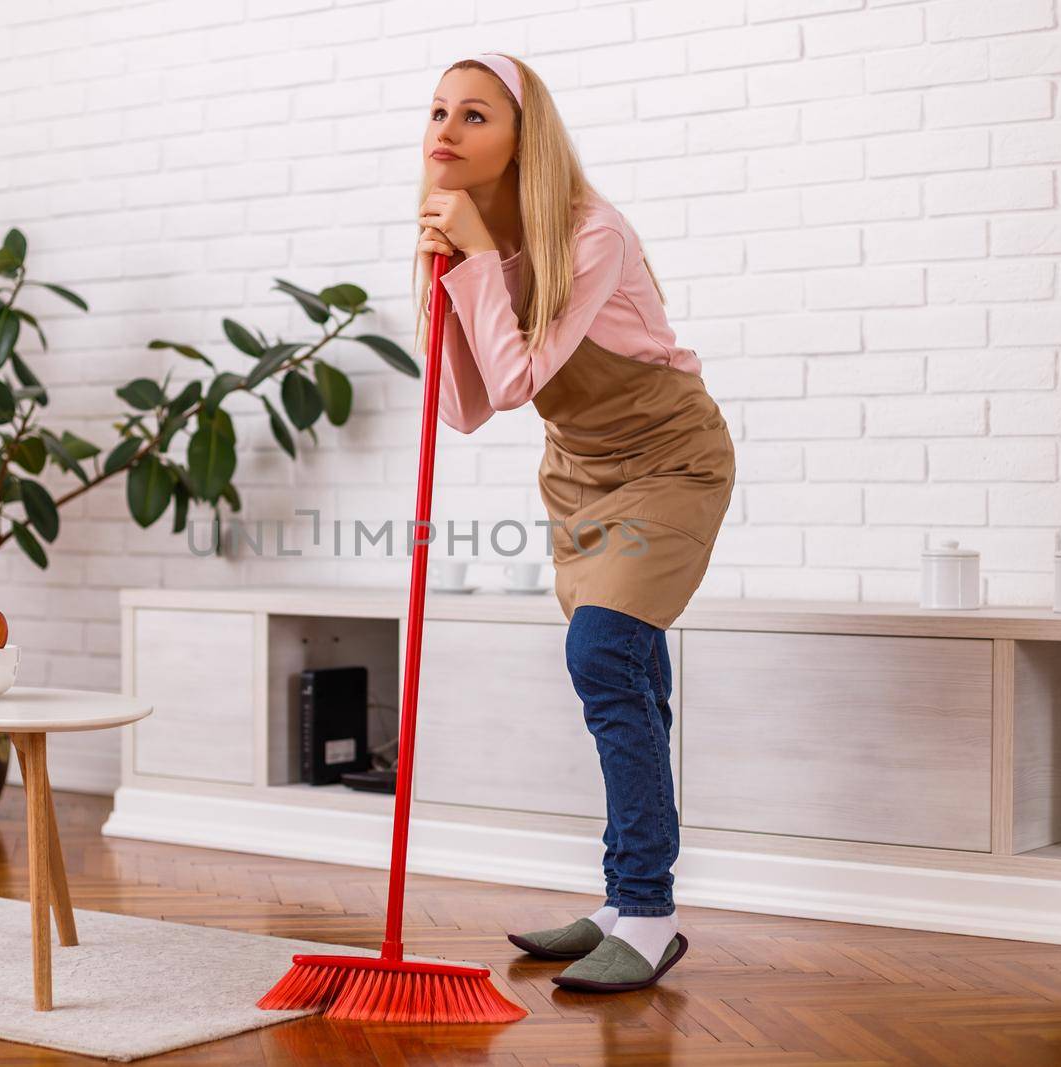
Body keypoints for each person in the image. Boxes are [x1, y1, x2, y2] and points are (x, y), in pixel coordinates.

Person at [412, 51, 736, 995]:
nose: (447, 129)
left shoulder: (592, 232)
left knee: (601, 655)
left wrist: (474, 261)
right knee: (631, 667)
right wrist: (447, 279)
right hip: (581, 474)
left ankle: (649, 909)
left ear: (523, 136)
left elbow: (519, 383)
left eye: (475, 115)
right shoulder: (467, 239)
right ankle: (624, 899)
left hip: (669, 460)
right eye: (438, 112)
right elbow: (471, 405)